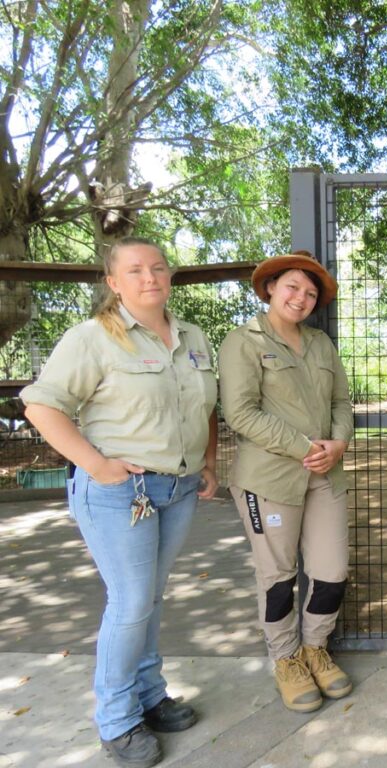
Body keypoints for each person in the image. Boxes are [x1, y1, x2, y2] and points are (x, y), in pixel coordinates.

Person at [21, 237, 218, 768]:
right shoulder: (92, 338)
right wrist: (96, 464)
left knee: (150, 597)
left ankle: (149, 693)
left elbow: (207, 407)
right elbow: (41, 406)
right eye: (135, 270)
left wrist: (209, 462)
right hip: (117, 493)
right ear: (113, 283)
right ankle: (116, 719)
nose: (149, 277)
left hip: (176, 489)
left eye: (157, 267)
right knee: (131, 603)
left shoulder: (192, 336)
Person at [219, 250, 354, 714]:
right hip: (269, 478)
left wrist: (337, 444)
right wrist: (304, 447)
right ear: (271, 287)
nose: (301, 297)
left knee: (331, 572)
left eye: (311, 292)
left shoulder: (320, 344)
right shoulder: (243, 341)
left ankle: (315, 648)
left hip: (325, 474)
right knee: (278, 578)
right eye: (293, 286)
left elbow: (341, 401)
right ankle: (286, 659)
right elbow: (240, 413)